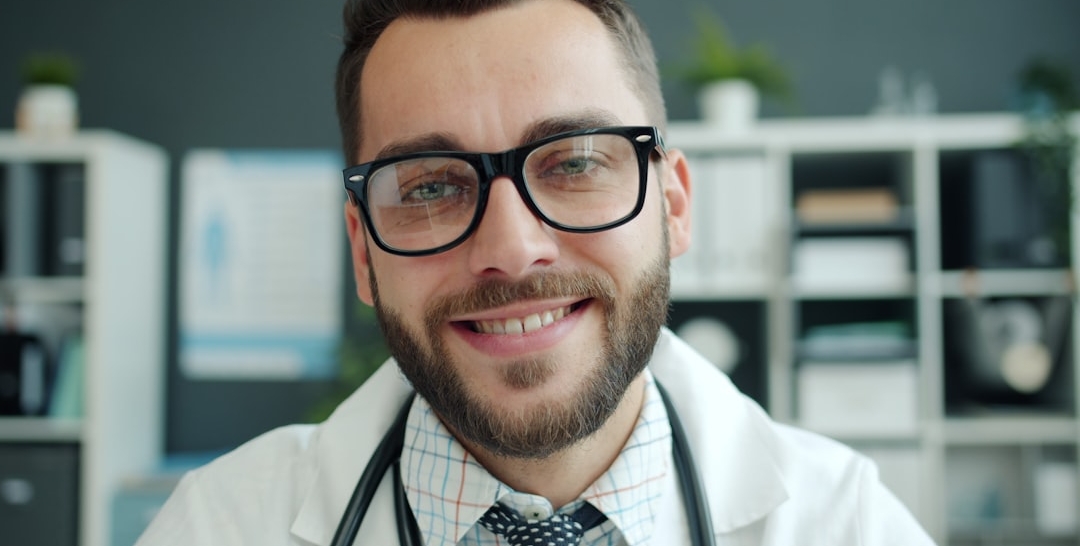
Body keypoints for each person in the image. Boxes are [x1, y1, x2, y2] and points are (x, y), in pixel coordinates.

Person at [137, 0, 936, 544]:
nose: (513, 250)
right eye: (430, 187)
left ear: (674, 206)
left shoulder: (849, 524)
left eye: (575, 162)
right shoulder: (217, 527)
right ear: (362, 252)